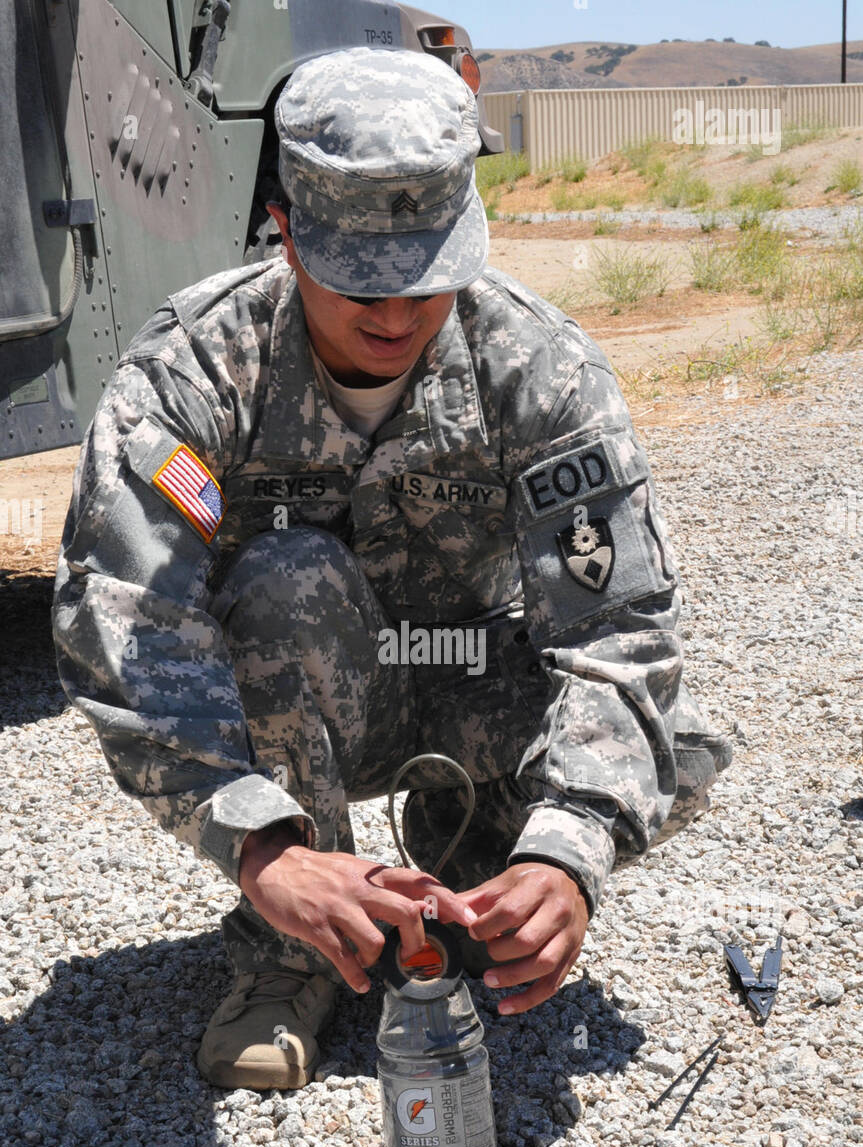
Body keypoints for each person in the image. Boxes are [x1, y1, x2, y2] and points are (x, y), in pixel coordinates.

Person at [52, 47, 732, 1092]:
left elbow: (616, 632)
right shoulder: (192, 369)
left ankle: (467, 862)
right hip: (315, 699)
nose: (396, 313)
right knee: (283, 579)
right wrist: (259, 849)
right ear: (283, 232)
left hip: (466, 682)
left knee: (667, 747)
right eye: (358, 279)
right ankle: (293, 949)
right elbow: (125, 616)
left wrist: (568, 847)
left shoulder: (537, 368)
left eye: (427, 273)